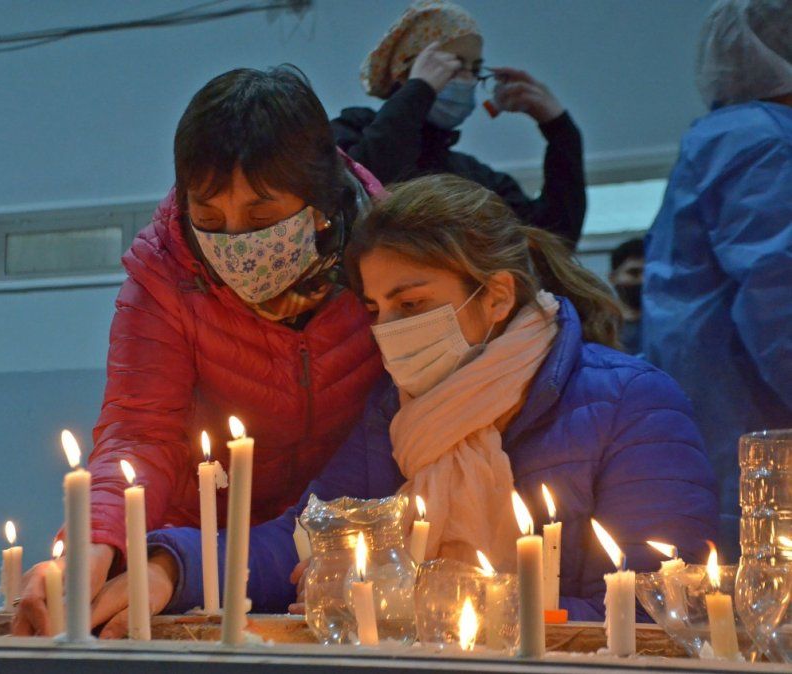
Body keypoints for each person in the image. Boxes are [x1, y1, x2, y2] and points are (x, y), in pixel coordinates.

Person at [87, 175, 717, 635]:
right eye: (374, 309)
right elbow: (305, 537)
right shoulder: (396, 412)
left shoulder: (633, 404)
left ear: (496, 296)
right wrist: (170, 565)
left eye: (411, 305)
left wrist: (434, 602)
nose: (388, 329)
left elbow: (658, 608)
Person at [12, 66, 387, 635]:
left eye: (261, 217)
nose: (234, 240)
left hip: (330, 551)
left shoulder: (385, 262)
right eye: (209, 217)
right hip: (186, 555)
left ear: (322, 202)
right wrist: (95, 543)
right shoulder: (164, 277)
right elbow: (139, 433)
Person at [642, 0, 792, 560]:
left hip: (721, 430)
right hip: (759, 436)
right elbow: (779, 301)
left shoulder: (728, 134)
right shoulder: (766, 142)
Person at [332, 0, 586, 246]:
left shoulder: (474, 177)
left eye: (474, 69)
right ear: (405, 71)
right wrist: (418, 91)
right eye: (451, 64)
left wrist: (560, 130)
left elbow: (554, 242)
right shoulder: (352, 130)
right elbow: (363, 191)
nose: (466, 79)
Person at [609, 238, 645, 354]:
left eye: (649, 272)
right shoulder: (601, 326)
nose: (643, 280)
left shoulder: (668, 326)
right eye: (634, 273)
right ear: (613, 277)